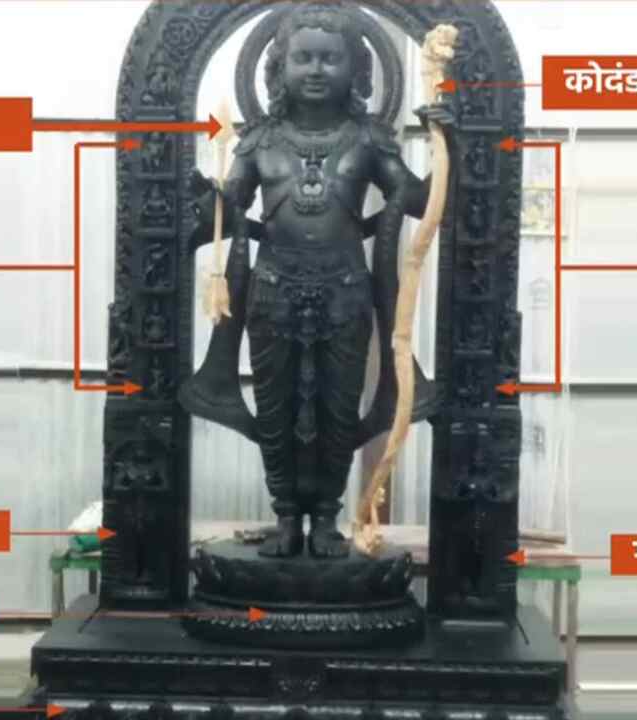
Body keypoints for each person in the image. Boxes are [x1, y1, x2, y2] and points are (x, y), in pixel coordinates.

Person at [184, 2, 452, 558]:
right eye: (303, 58)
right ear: (278, 67)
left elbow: (417, 199)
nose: (315, 70)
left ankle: (327, 517)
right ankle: (286, 515)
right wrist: (205, 195)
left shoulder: (368, 140)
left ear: (356, 69)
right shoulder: (259, 142)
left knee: (337, 405)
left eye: (330, 59)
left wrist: (448, 144)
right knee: (276, 407)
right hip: (273, 292)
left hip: (344, 293)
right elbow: (228, 208)